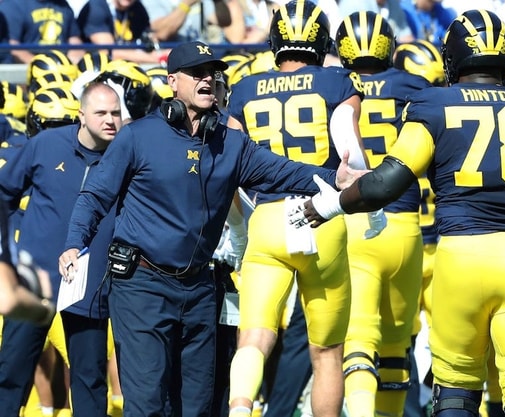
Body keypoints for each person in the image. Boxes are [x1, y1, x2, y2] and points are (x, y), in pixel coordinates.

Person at [291, 9, 505, 417]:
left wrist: (329, 204)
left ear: (452, 56)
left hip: (463, 256)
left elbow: (386, 184)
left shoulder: (434, 103)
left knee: (457, 387)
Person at [57, 40, 364, 417]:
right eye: (196, 73)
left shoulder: (231, 143)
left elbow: (282, 171)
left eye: (212, 73)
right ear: (172, 81)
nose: (207, 80)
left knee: (197, 406)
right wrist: (75, 244)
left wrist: (335, 176)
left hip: (199, 288)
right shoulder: (137, 136)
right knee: (149, 403)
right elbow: (95, 195)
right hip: (142, 285)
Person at [224, 2, 380, 416]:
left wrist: (240, 230)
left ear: (275, 40)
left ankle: (240, 409)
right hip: (322, 215)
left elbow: (229, 171)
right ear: (321, 40)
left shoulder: (244, 89)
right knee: (327, 349)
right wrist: (372, 202)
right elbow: (350, 150)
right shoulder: (335, 81)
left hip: (268, 218)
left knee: (254, 338)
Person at [0, 83, 117, 417]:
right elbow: (4, 191)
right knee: (11, 372)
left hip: (90, 284)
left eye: (115, 113)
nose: (110, 120)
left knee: (90, 378)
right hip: (36, 280)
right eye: (101, 113)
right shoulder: (45, 145)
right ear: (81, 115)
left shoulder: (127, 155)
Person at [335, 10, 431, 417]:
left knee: (358, 337)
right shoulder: (418, 88)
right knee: (396, 343)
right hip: (407, 225)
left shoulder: (332, 86)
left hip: (355, 223)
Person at [0, 0, 84, 64]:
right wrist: (41, 65)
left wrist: (70, 63)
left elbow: (74, 41)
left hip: (63, 70)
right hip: (28, 75)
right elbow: (13, 47)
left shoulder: (63, 5)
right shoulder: (12, 5)